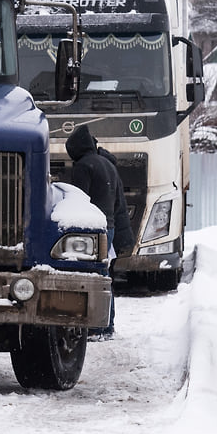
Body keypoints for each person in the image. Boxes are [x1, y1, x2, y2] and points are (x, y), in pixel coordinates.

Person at [65, 124, 132, 339]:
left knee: (92, 277)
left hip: (93, 229)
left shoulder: (83, 167)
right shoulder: (108, 164)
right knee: (105, 277)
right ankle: (107, 326)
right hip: (109, 228)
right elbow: (120, 204)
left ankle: (95, 328)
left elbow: (79, 200)